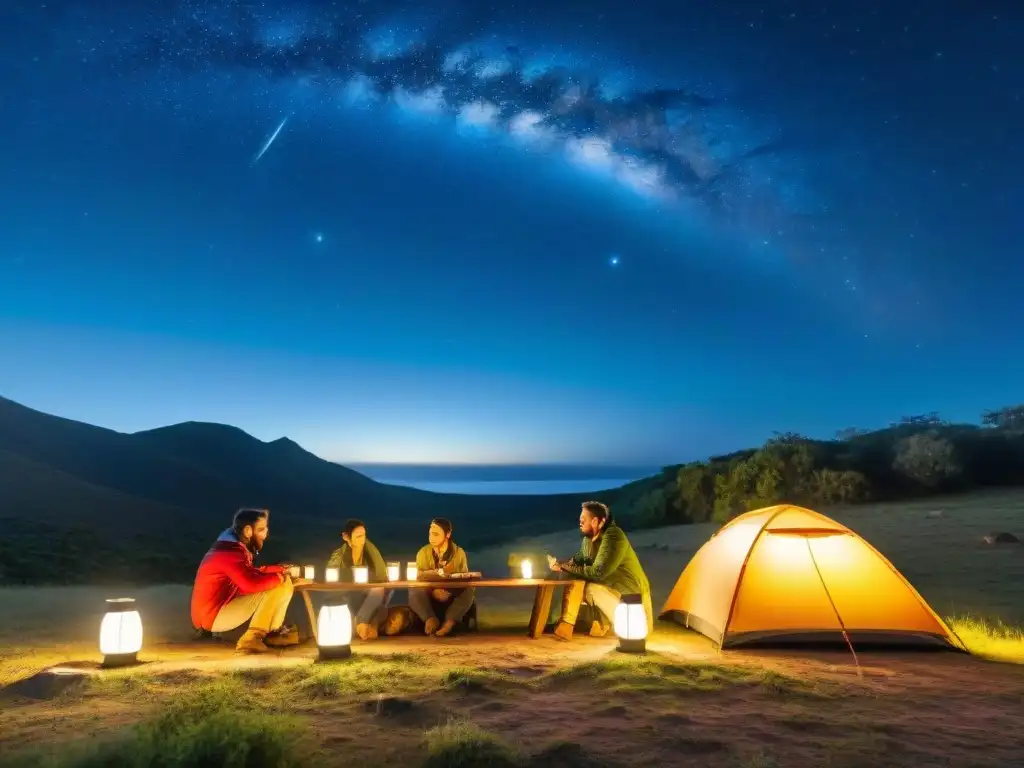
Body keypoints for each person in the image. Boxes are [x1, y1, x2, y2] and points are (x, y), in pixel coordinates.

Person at [190, 507, 299, 654]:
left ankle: (270, 634)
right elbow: (250, 584)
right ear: (248, 531)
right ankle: (253, 640)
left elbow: (252, 572)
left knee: (281, 582)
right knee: (280, 586)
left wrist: (280, 570)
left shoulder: (231, 548)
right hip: (214, 616)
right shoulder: (230, 553)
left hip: (209, 615)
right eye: (261, 529)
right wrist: (281, 577)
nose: (265, 534)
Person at [547, 500, 653, 642]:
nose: (580, 522)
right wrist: (559, 565)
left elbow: (598, 572)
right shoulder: (588, 541)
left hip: (631, 600)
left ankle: (594, 623)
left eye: (583, 519)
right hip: (610, 594)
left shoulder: (614, 536)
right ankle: (568, 622)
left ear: (596, 521)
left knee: (588, 586)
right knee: (576, 579)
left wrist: (566, 567)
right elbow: (577, 560)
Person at [326, 518, 393, 640]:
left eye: (364, 536)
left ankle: (360, 621)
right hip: (348, 595)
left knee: (379, 590)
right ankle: (364, 625)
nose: (362, 540)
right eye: (358, 536)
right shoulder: (340, 555)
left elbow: (381, 575)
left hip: (367, 596)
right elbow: (332, 575)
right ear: (347, 538)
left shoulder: (370, 551)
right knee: (377, 614)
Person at [409, 518, 475, 637]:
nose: (431, 538)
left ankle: (449, 622)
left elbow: (463, 578)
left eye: (436, 534)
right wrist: (433, 590)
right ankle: (430, 619)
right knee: (414, 589)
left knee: (469, 589)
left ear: (447, 534)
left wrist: (450, 591)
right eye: (430, 534)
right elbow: (420, 577)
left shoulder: (459, 553)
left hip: (451, 591)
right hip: (430, 592)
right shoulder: (423, 553)